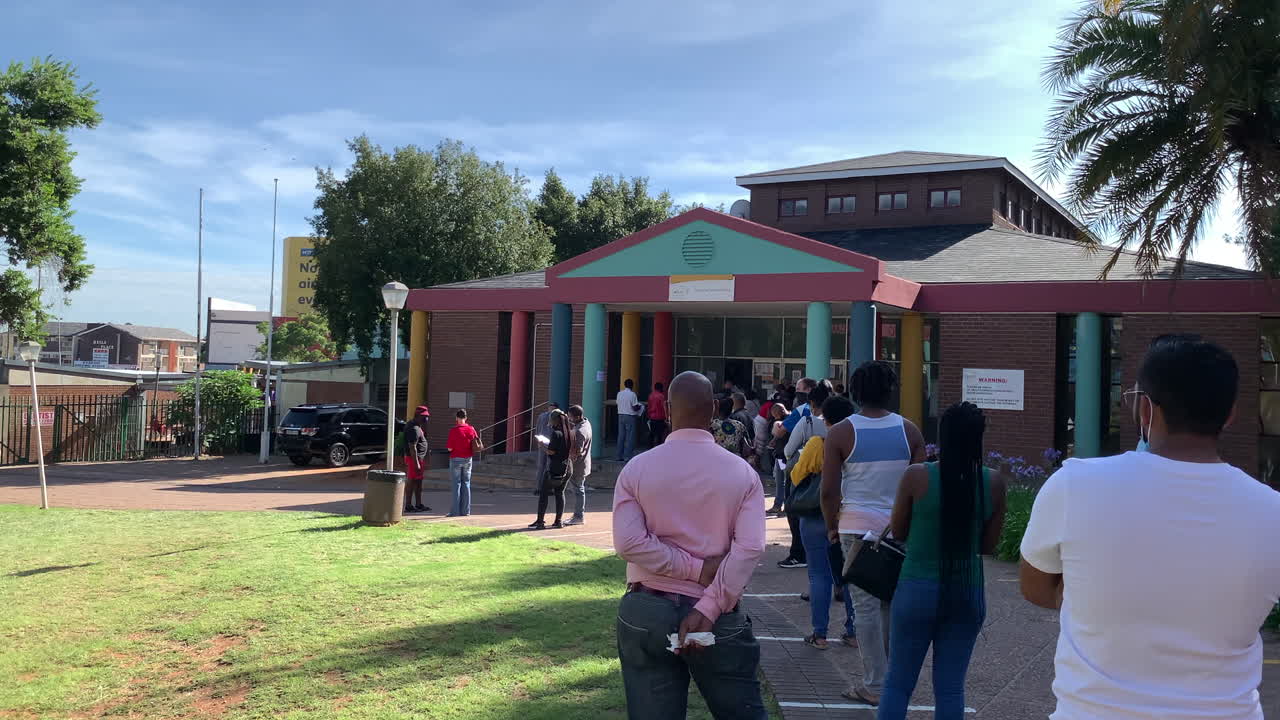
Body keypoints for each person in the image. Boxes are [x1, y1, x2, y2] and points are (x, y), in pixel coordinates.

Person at [1020, 336, 1280, 720]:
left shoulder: (1075, 485)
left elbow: (1035, 587)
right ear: (1230, 415)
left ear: (1145, 409)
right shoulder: (1272, 512)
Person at [613, 371, 768, 719]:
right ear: (713, 409)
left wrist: (691, 570)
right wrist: (707, 602)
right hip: (715, 618)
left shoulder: (637, 469)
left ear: (667, 410)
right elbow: (750, 548)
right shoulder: (742, 474)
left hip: (647, 612)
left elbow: (628, 543)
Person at [877, 402, 1007, 719]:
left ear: (943, 436)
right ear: (979, 438)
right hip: (966, 589)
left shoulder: (916, 477)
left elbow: (898, 530)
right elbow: (988, 546)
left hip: (916, 587)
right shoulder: (993, 482)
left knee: (897, 683)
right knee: (950, 689)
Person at [822, 361, 925, 706]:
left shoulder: (840, 432)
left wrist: (831, 526)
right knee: (891, 604)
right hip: (898, 528)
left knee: (864, 607)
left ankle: (875, 684)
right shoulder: (910, 431)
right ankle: (892, 680)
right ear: (891, 390)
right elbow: (919, 486)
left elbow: (829, 491)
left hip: (855, 526)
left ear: (855, 391)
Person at [790, 394, 858, 650]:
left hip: (815, 516)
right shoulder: (856, 445)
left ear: (826, 419)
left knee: (819, 574)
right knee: (850, 575)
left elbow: (796, 475)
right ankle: (852, 631)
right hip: (847, 516)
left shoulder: (818, 444)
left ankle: (819, 634)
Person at [530, 408, 574, 530]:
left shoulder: (556, 433)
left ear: (555, 420)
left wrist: (542, 446)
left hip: (555, 467)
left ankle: (540, 522)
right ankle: (558, 521)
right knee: (560, 493)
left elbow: (551, 451)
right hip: (567, 467)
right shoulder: (570, 433)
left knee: (544, 494)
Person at [445, 409, 481, 517]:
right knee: (466, 483)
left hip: (456, 458)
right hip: (468, 459)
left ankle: (455, 511)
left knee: (456, 484)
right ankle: (466, 511)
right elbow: (475, 443)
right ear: (466, 418)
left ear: (457, 418)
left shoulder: (453, 431)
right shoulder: (471, 429)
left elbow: (450, 448)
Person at [564, 404, 592, 526]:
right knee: (579, 490)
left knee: (579, 490)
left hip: (578, 466)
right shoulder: (586, 423)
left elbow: (577, 451)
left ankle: (579, 516)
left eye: (571, 417)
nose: (569, 419)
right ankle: (578, 515)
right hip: (582, 464)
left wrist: (568, 461)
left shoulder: (580, 431)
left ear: (578, 416)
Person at [402, 405, 430, 514]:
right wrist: (416, 463)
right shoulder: (413, 428)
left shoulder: (417, 426)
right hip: (414, 459)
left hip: (419, 459)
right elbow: (412, 447)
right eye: (424, 417)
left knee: (418, 482)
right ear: (418, 416)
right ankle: (408, 505)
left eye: (427, 416)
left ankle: (418, 504)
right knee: (412, 481)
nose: (426, 419)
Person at [711, 397, 753, 461]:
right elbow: (747, 447)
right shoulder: (739, 425)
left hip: (716, 460)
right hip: (735, 460)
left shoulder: (712, 425)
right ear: (731, 409)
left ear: (717, 408)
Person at [533, 401, 559, 483]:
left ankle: (538, 487)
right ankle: (546, 487)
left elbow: (537, 430)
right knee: (549, 466)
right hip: (551, 444)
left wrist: (538, 441)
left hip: (541, 443)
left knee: (541, 466)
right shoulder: (556, 417)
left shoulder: (541, 416)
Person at [616, 379, 641, 462]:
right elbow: (634, 407)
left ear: (624, 385)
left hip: (620, 415)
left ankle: (619, 456)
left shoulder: (619, 393)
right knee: (630, 437)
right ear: (632, 385)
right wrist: (640, 407)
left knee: (621, 436)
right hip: (630, 416)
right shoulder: (632, 394)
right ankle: (628, 456)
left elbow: (617, 403)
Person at [647, 382, 668, 447]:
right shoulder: (661, 396)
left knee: (652, 434)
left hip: (652, 418)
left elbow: (649, 406)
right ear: (660, 388)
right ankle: (658, 448)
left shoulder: (650, 395)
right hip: (660, 418)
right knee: (659, 435)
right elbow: (663, 407)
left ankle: (650, 448)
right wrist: (667, 417)